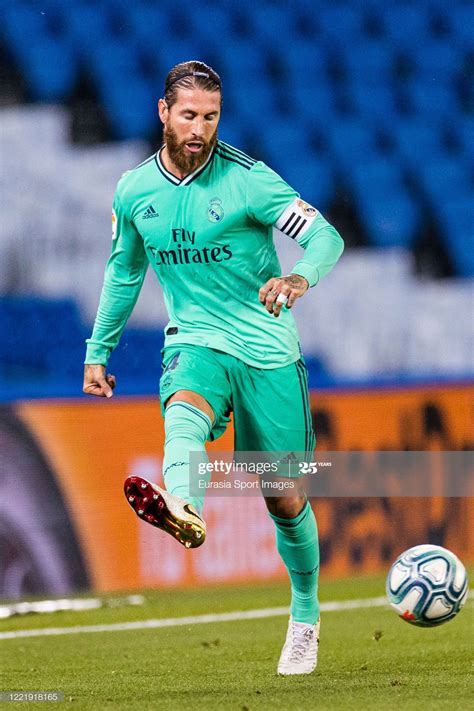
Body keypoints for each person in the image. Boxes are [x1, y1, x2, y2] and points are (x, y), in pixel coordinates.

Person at [83, 60, 344, 675]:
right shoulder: (134, 191)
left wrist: (298, 277)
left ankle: (304, 617)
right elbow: (124, 273)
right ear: (163, 113)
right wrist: (99, 350)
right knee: (183, 411)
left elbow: (326, 236)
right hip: (196, 339)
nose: (200, 128)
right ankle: (186, 506)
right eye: (189, 115)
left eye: (211, 116)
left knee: (283, 498)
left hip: (268, 350)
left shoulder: (251, 182)